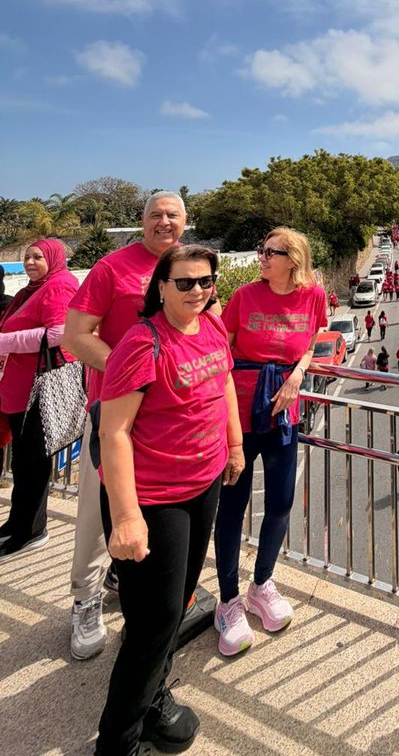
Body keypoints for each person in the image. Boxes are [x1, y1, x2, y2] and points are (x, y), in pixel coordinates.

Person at [94, 243, 243, 756]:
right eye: (185, 282)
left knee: (173, 607)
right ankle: (118, 743)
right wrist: (126, 517)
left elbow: (223, 380)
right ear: (160, 287)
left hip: (203, 486)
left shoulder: (212, 326)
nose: (198, 291)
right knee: (151, 625)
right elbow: (114, 433)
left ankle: (153, 700)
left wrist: (235, 444)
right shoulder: (142, 343)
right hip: (155, 499)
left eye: (206, 282)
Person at [64, 191, 188, 662]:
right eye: (155, 214)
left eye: (172, 215)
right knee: (99, 512)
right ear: (141, 222)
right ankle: (85, 599)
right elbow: (74, 336)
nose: (163, 222)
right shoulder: (112, 268)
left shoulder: (190, 268)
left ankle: (128, 583)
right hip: (115, 412)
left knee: (156, 510)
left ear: (185, 222)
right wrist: (128, 369)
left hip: (168, 418)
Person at [213, 228, 326, 657]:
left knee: (279, 502)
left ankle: (261, 583)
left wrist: (298, 373)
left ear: (292, 258)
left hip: (283, 410)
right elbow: (221, 351)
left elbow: (313, 339)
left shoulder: (313, 295)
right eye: (262, 251)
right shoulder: (244, 296)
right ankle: (228, 600)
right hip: (239, 411)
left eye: (269, 252)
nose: (261, 257)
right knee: (232, 506)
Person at [0, 239, 79, 563]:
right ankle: (17, 524)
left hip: (39, 391)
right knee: (22, 461)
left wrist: (4, 341)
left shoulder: (59, 287)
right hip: (20, 389)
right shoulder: (32, 290)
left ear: (54, 259)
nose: (31, 262)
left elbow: (60, 333)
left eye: (38, 257)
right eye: (27, 257)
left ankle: (30, 531)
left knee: (32, 463)